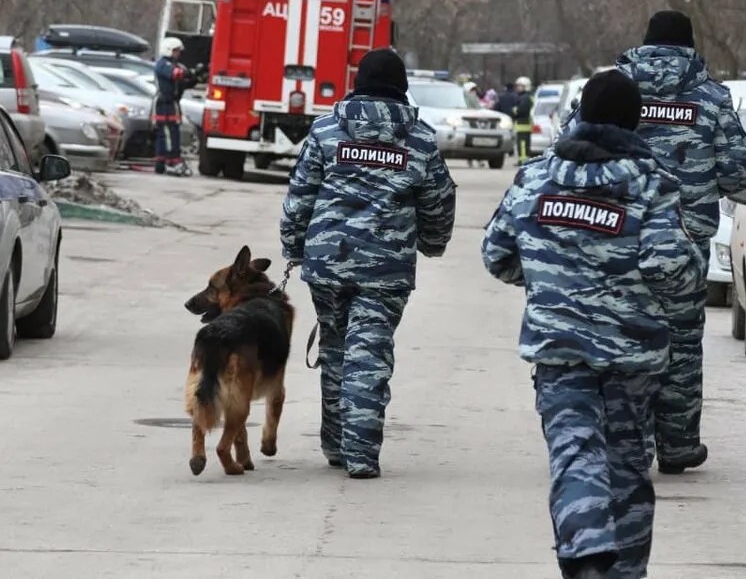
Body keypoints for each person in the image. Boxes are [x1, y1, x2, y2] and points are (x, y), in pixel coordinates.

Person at [482, 70, 702, 579]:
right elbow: (670, 267)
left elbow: (497, 255)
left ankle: (586, 556)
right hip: (632, 354)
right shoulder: (651, 183)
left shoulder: (536, 177)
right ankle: (620, 569)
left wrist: (547, 278)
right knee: (626, 465)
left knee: (574, 452)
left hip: (558, 350)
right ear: (635, 121)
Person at [279, 48, 457, 479]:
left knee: (336, 349)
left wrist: (294, 246)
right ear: (402, 89)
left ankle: (337, 446)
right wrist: (432, 245)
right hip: (386, 269)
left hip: (328, 263)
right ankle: (359, 454)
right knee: (369, 354)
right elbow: (438, 203)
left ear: (357, 84)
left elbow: (299, 197)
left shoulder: (325, 131)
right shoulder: (420, 140)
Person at [613, 10, 746, 475]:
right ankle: (676, 445)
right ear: (690, 45)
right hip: (685, 244)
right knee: (680, 343)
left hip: (616, 239)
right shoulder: (712, 99)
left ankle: (622, 442)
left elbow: (572, 146)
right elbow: (739, 173)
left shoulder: (614, 90)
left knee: (616, 335)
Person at [153, 36, 194, 176]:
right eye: (176, 51)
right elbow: (175, 75)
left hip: (172, 103)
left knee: (173, 131)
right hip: (164, 103)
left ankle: (165, 161)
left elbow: (182, 82)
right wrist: (187, 73)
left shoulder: (175, 65)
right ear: (169, 50)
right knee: (167, 132)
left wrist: (195, 77)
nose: (178, 54)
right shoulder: (163, 64)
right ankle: (170, 161)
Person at [510, 76, 534, 165]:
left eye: (520, 86)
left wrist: (515, 110)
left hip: (523, 125)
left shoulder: (525, 98)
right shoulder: (526, 97)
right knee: (523, 143)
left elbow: (521, 110)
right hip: (524, 124)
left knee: (522, 144)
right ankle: (523, 159)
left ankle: (523, 160)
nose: (518, 88)